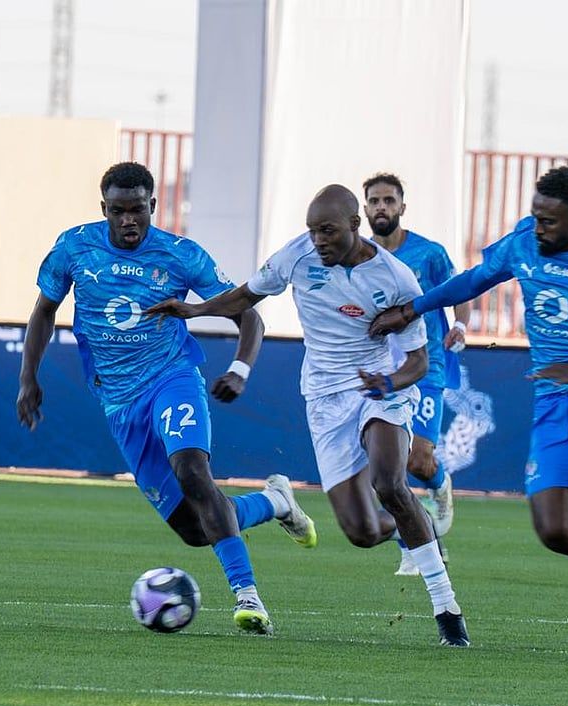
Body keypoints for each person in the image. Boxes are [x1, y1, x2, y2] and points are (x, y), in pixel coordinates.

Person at [370, 166, 568, 657]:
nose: (537, 227)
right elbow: (476, 279)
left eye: (548, 220)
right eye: (535, 215)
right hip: (553, 398)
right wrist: (414, 308)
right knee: (558, 533)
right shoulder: (526, 241)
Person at [147, 184, 471, 647]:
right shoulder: (296, 255)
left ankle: (447, 611)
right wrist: (196, 310)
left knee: (388, 483)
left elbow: (418, 362)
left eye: (328, 231)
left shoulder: (396, 277)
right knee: (361, 532)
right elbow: (245, 297)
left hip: (378, 387)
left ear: (355, 226)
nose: (318, 240)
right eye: (313, 231)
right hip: (324, 399)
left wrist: (390, 383)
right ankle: (415, 525)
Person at [16, 162, 315, 636]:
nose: (128, 220)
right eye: (118, 211)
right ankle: (275, 502)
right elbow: (44, 311)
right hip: (119, 402)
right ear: (104, 208)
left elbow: (248, 315)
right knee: (195, 529)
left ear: (153, 205)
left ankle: (247, 596)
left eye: (137, 210)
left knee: (193, 472)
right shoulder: (73, 247)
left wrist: (239, 368)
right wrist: (28, 378)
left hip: (171, 378)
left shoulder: (181, 255)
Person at [363, 173, 470, 576]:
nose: (382, 207)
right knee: (386, 467)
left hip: (425, 365)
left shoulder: (429, 253)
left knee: (418, 460)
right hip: (380, 372)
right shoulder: (360, 257)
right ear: (365, 208)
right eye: (375, 201)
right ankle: (413, 547)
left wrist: (460, 325)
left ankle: (439, 484)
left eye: (389, 200)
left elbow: (460, 291)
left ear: (402, 207)